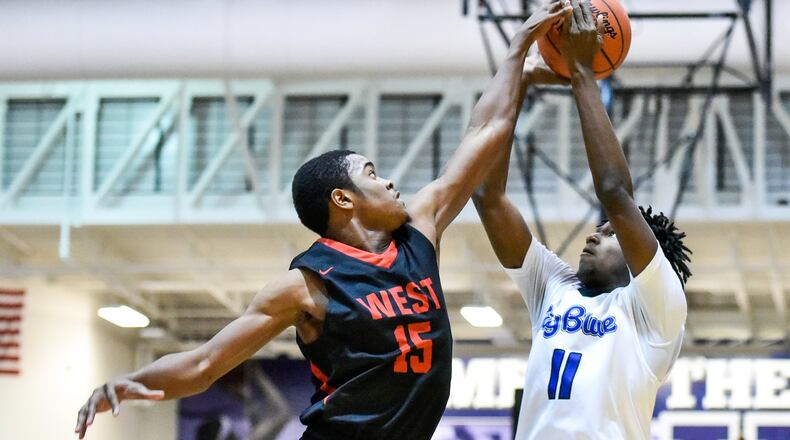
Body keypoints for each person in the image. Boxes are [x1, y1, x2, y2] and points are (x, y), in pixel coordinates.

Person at [73, 2, 574, 439]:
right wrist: (133, 382)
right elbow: (205, 364)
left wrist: (516, 55)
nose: (391, 182)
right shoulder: (304, 286)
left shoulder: (421, 230)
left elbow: (486, 129)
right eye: (373, 174)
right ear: (344, 199)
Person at [472, 1, 692, 439]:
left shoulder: (655, 310)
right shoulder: (554, 287)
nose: (596, 234)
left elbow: (614, 192)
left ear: (641, 259)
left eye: (611, 234)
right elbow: (486, 195)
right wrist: (517, 70)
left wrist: (582, 72)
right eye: (604, 229)